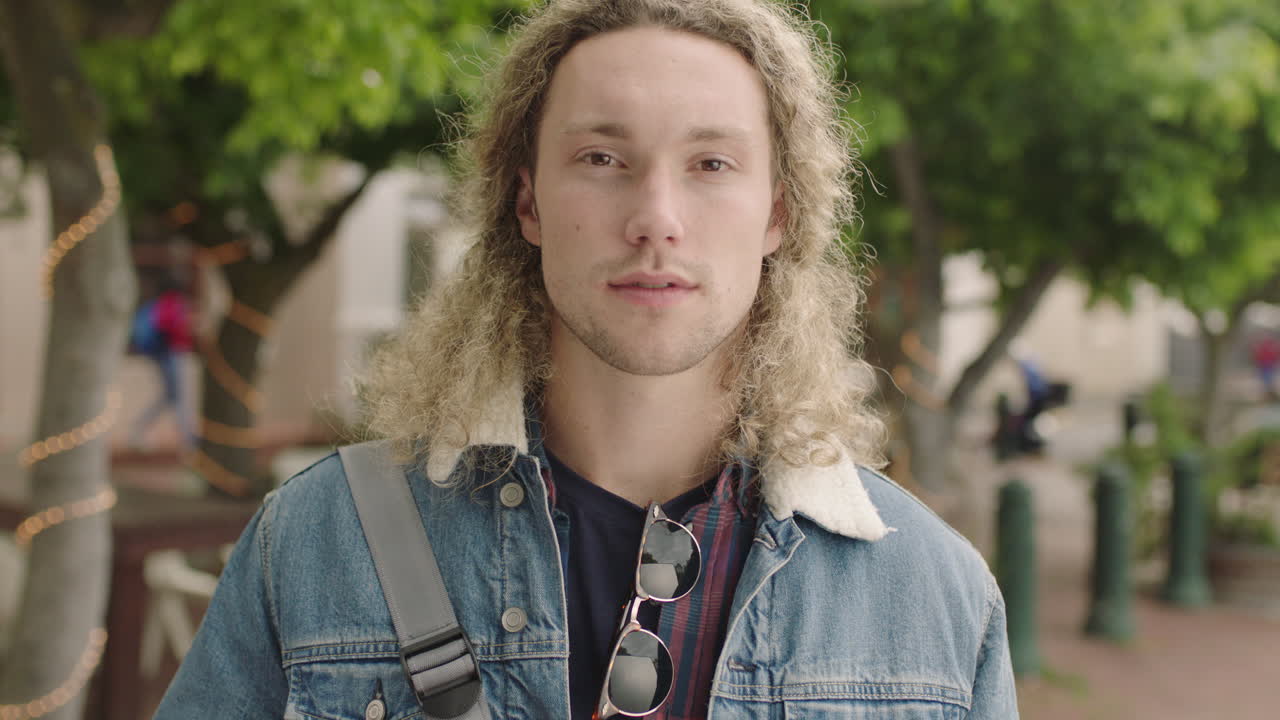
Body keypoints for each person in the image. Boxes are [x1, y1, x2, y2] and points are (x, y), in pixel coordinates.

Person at [155, 1, 1016, 718]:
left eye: (711, 162)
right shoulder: (317, 540)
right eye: (602, 158)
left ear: (777, 216)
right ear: (527, 202)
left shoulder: (935, 595)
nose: (656, 218)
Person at [129, 276, 196, 451]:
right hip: (171, 353)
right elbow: (173, 327)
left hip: (164, 353)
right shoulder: (174, 303)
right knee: (177, 395)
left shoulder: (160, 303)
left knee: (170, 395)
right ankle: (188, 439)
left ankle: (140, 428)